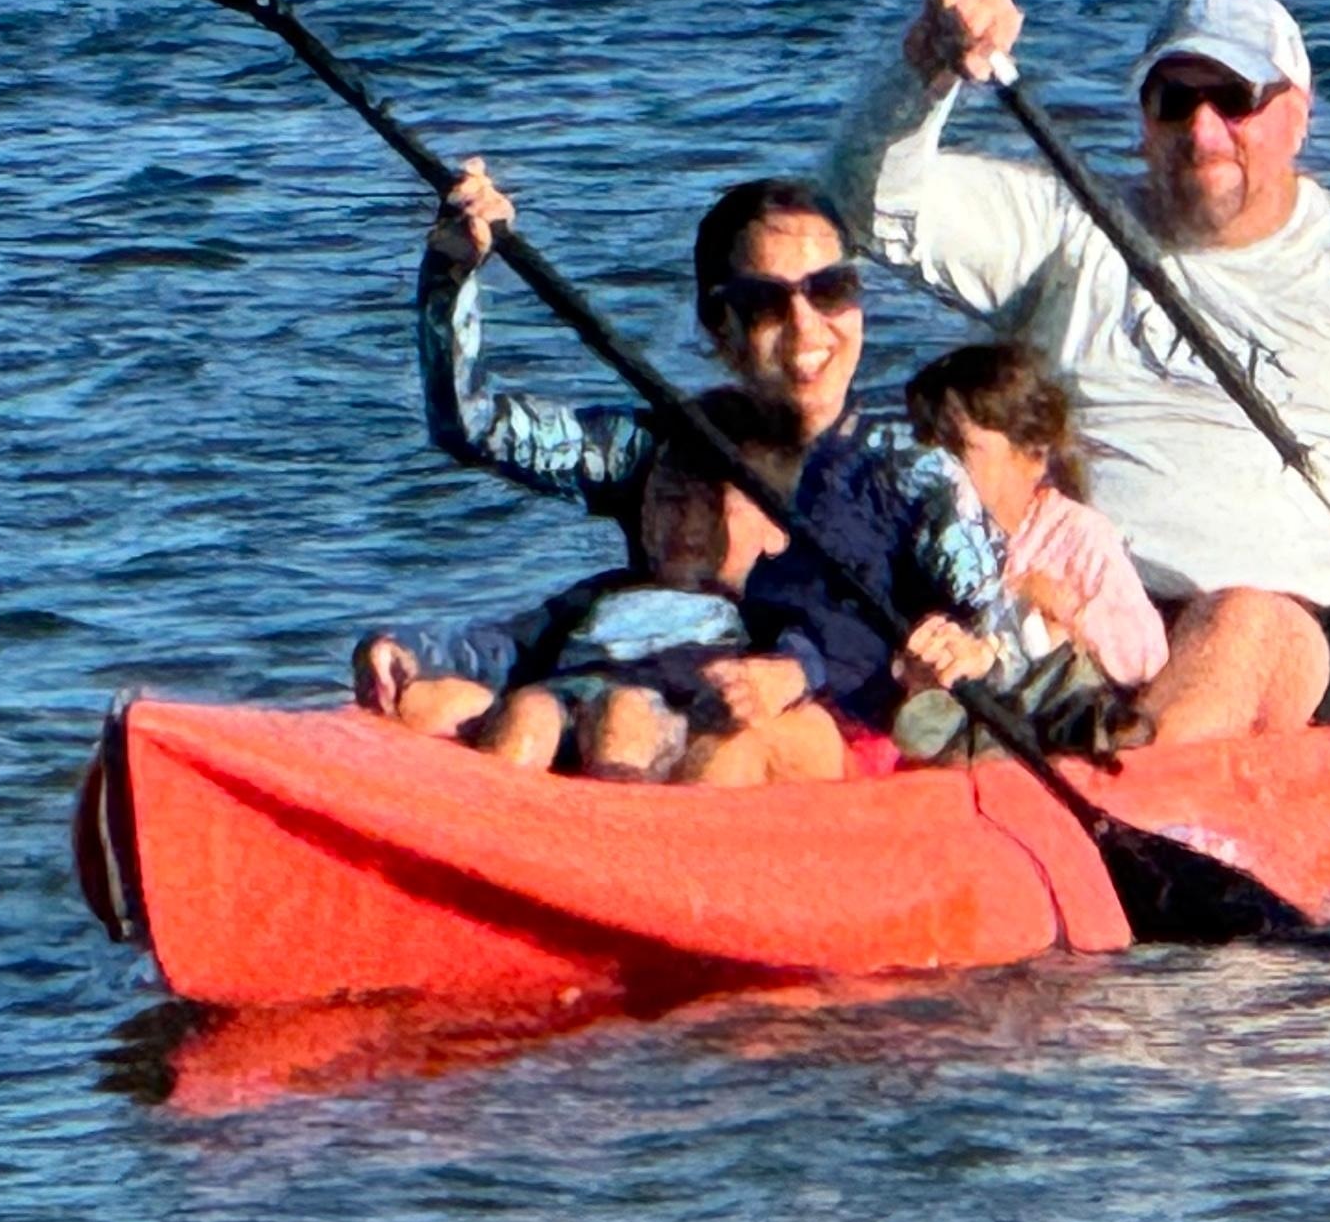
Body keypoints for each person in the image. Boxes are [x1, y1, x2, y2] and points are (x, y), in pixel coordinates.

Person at [828, 0, 1330, 745]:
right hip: (1082, 608)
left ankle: (1133, 789)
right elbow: (867, 205)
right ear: (1144, 122)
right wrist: (925, 66)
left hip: (1303, 637)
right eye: (1175, 102)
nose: (1203, 129)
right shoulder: (1070, 229)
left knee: (1243, 619)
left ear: (1297, 116)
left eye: (1235, 99)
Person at [414, 167, 1011, 771]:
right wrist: (452, 272)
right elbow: (473, 426)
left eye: (830, 289)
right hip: (651, 710)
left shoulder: (913, 477)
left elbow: (999, 623)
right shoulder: (664, 449)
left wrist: (968, 648)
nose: (806, 325)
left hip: (815, 754)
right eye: (764, 303)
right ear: (717, 325)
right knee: (516, 715)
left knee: (720, 751)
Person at [352, 421, 843, 783]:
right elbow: (500, 645)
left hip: (667, 716)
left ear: (776, 530)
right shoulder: (603, 593)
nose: (687, 525)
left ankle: (610, 868)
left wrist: (785, 676)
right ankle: (465, 854)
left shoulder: (760, 609)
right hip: (564, 703)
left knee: (622, 714)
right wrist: (407, 649)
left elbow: (810, 659)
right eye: (668, 500)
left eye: (712, 505)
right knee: (457, 705)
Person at [902, 340, 1170, 696]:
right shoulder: (925, 539)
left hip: (1055, 714)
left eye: (957, 448)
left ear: (1032, 456)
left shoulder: (1079, 536)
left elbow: (1143, 657)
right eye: (927, 447)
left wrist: (1066, 608)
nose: (940, 465)